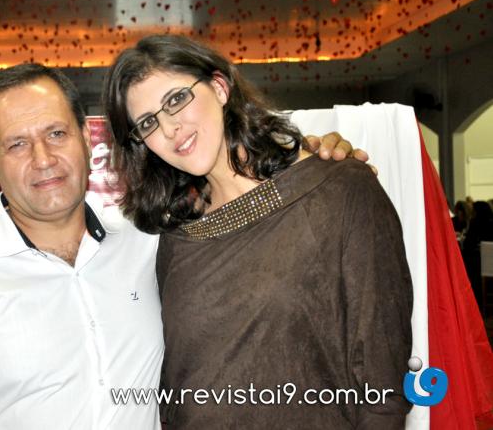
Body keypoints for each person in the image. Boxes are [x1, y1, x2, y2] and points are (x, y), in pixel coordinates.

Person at [0, 63, 367, 429]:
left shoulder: (152, 239)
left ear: (86, 141)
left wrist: (313, 164)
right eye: (17, 144)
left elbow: (251, 220)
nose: (43, 159)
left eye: (56, 133)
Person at [103, 35, 413, 428]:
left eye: (177, 99)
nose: (169, 128)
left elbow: (383, 388)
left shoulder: (339, 191)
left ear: (219, 87)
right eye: (147, 122)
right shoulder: (175, 237)